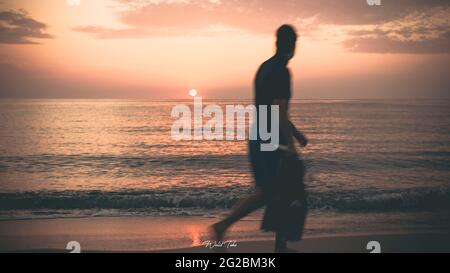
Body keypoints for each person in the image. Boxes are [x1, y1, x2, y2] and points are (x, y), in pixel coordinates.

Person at [211, 24, 308, 253]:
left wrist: (295, 133)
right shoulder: (282, 72)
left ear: (276, 43)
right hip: (270, 140)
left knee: (282, 190)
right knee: (269, 191)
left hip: (260, 135)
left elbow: (269, 108)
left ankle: (280, 246)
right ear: (293, 45)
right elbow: (279, 110)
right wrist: (292, 146)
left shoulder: (264, 67)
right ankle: (222, 226)